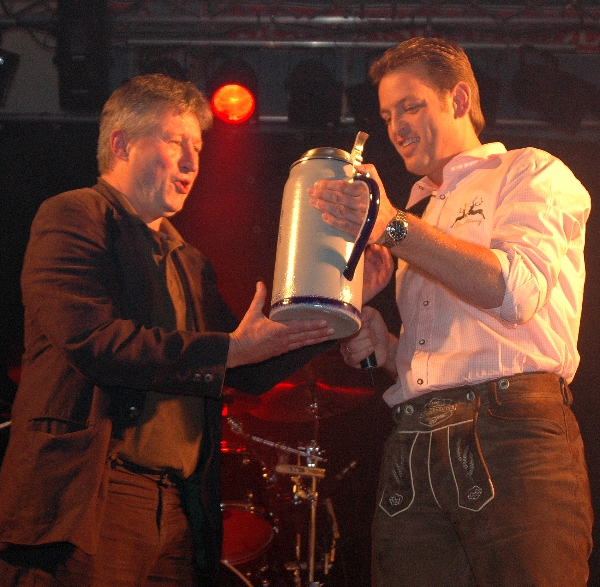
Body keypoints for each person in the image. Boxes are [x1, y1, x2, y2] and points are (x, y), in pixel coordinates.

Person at [0, 73, 335, 587]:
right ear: (121, 144)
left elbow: (246, 367)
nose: (192, 162)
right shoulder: (73, 216)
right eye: (176, 141)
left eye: (197, 148)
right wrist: (230, 350)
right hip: (93, 494)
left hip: (179, 506)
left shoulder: (189, 261)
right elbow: (94, 342)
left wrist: (340, 306)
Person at [308, 37, 593, 587]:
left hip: (510, 433)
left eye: (410, 106)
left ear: (459, 99)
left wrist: (393, 226)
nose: (396, 127)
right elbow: (447, 356)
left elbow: (517, 291)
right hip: (414, 437)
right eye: (387, 115)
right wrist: (387, 346)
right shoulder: (421, 212)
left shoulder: (529, 171)